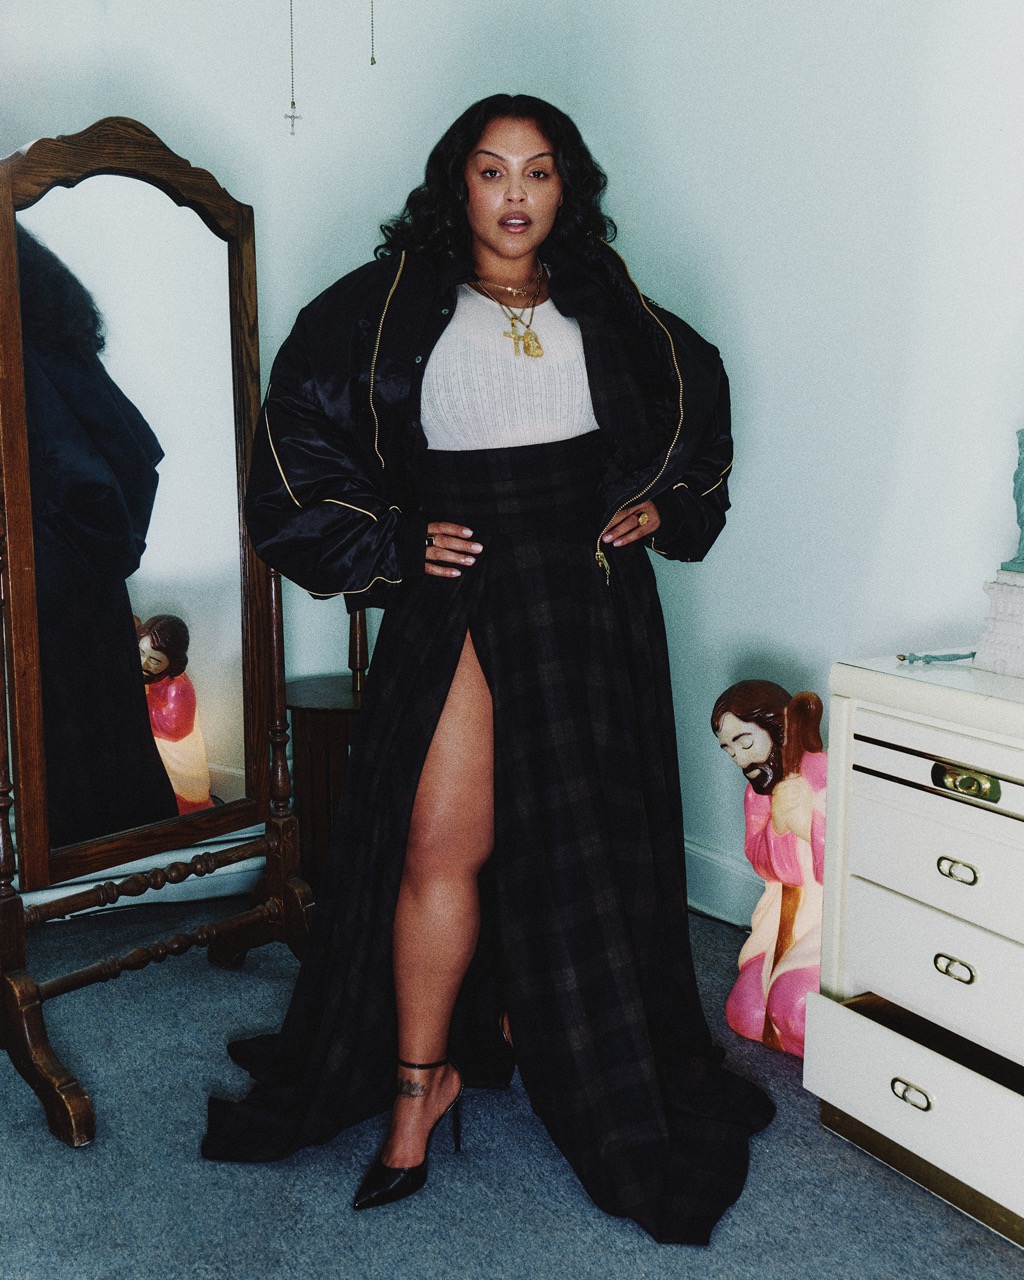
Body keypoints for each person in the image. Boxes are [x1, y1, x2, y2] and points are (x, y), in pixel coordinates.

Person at [203, 94, 774, 1246]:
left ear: (568, 187)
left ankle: (542, 1027)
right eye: (491, 169)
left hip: (584, 592)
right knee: (437, 839)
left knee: (578, 846)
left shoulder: (613, 309)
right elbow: (294, 452)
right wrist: (392, 539)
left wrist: (662, 506)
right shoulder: (381, 308)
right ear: (454, 182)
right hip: (458, 586)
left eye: (539, 171)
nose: (515, 193)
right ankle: (420, 1085)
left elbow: (695, 420)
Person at [16, 225, 179, 847]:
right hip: (81, 573)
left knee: (68, 742)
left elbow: (80, 469)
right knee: (100, 740)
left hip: (48, 571)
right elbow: (130, 462)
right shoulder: (57, 345)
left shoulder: (27, 355)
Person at [711, 680, 826, 1057]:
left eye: (745, 743)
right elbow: (763, 862)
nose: (740, 760)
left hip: (827, 921)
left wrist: (810, 824)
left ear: (778, 727)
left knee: (792, 1009)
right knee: (745, 1013)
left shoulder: (824, 772)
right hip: (782, 918)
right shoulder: (757, 793)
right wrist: (779, 826)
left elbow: (857, 860)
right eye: (729, 751)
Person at [137, 614, 215, 815]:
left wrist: (141, 703)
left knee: (182, 798)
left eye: (154, 660)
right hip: (156, 756)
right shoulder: (149, 678)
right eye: (140, 653)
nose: (144, 664)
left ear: (171, 662)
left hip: (177, 761)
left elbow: (174, 726)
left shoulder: (178, 687)